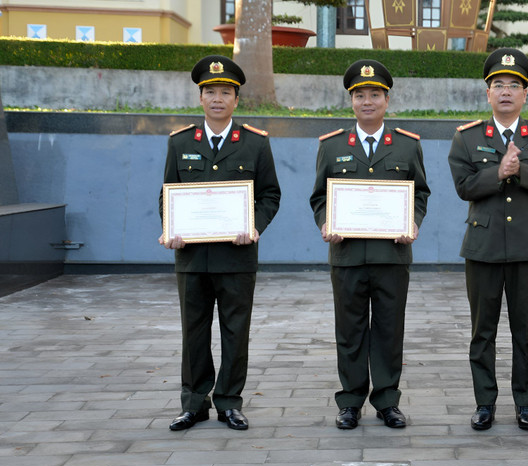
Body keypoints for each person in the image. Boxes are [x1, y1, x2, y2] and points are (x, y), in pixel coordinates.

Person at [159, 55, 281, 431]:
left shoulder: (255, 144)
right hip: (192, 257)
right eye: (210, 91)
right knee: (193, 332)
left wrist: (254, 226)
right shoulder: (180, 143)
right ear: (200, 97)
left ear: (236, 99)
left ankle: (229, 401)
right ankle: (194, 403)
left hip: (237, 256)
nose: (217, 98)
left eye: (225, 92)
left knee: (235, 331)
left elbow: (270, 195)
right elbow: (167, 194)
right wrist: (170, 227)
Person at [310, 59, 430, 430]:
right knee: (350, 330)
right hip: (346, 255)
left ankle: (387, 401)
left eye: (374, 95)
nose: (367, 101)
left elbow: (420, 192)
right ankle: (349, 402)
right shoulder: (332, 148)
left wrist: (412, 220)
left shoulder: (407, 147)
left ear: (387, 100)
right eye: (359, 95)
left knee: (389, 331)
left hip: (392, 254)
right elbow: (318, 197)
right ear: (351, 101)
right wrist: (326, 221)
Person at [447, 48, 528, 431]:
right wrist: (498, 171)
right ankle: (484, 403)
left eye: (515, 85)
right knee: (483, 331)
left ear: (525, 94)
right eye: (499, 85)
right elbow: (464, 187)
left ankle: (525, 404)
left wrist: (520, 170)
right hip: (483, 247)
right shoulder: (467, 137)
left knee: (525, 331)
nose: (506, 91)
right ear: (488, 93)